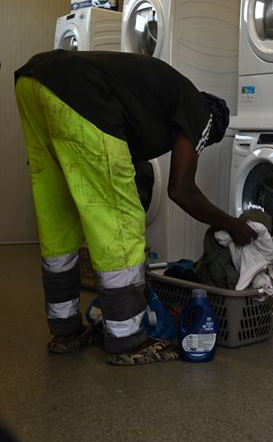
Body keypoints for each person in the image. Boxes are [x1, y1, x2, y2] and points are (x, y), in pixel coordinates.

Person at [14, 49, 256, 365]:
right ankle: (128, 340)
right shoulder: (203, 112)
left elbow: (133, 169)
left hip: (33, 82)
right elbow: (181, 190)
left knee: (57, 215)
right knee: (119, 220)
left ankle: (66, 330)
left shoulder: (153, 105)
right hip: (79, 88)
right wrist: (234, 226)